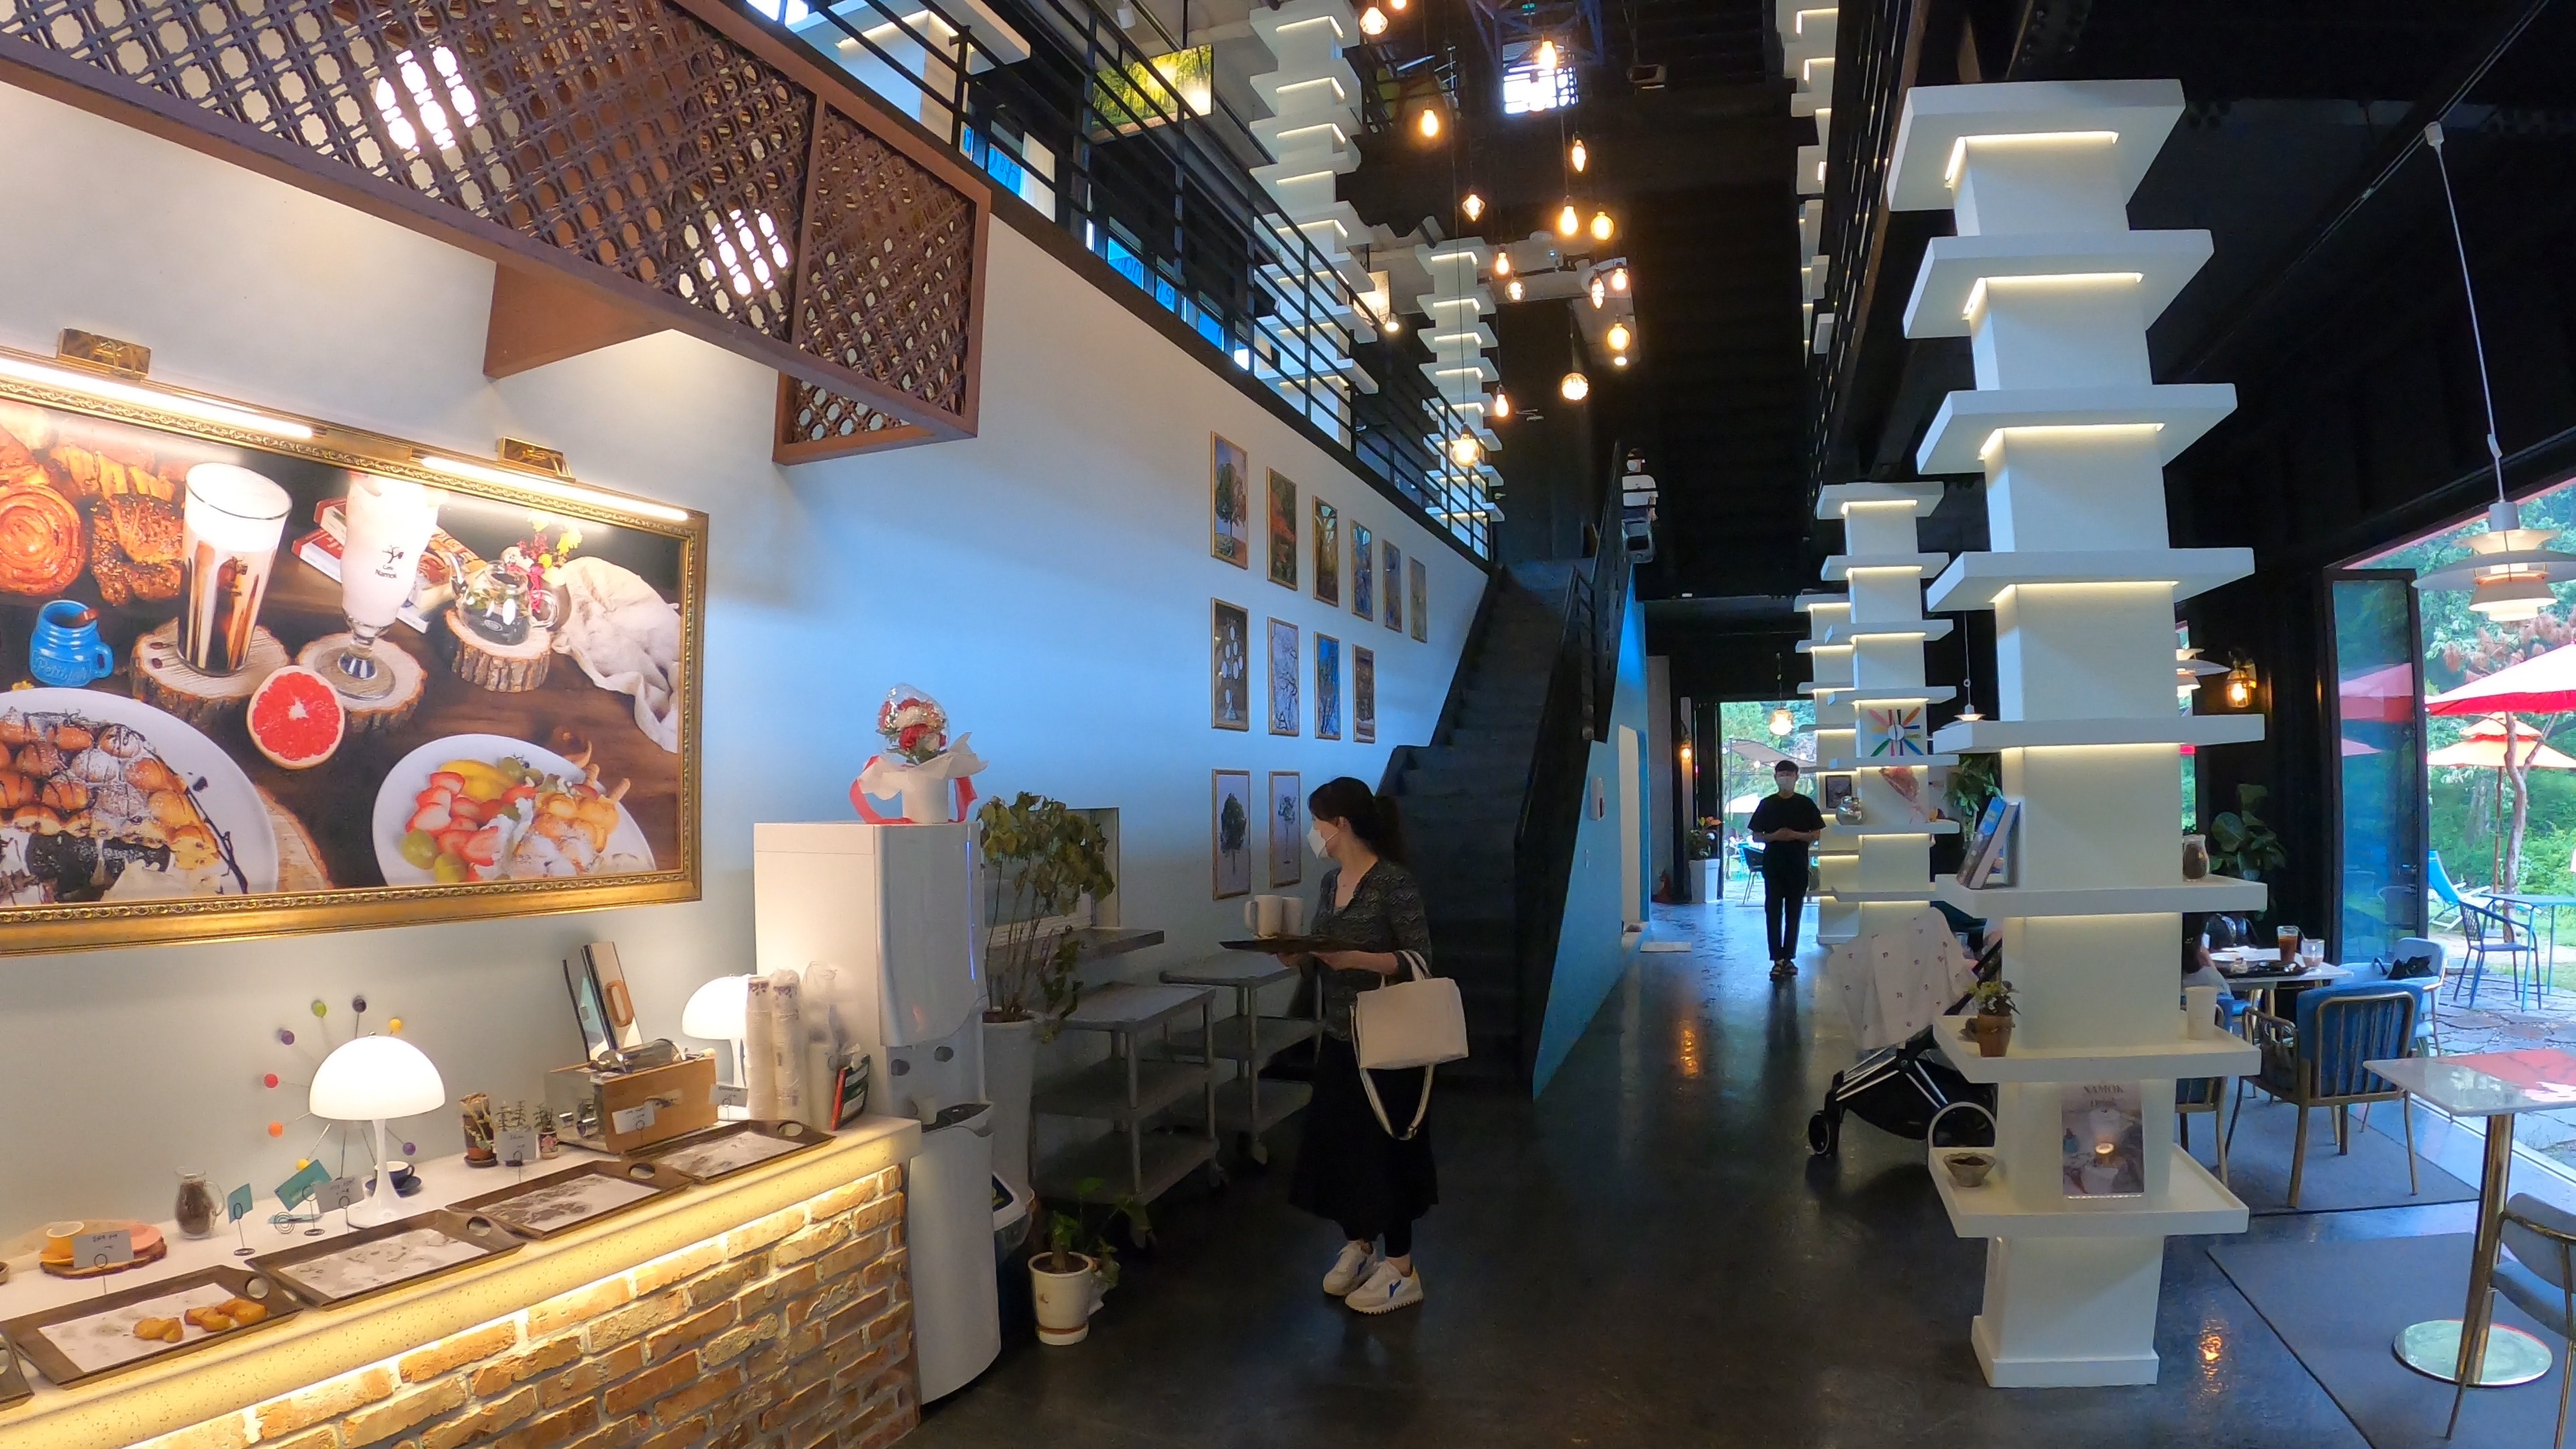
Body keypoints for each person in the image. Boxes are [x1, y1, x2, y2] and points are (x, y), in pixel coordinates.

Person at [1283, 776, 1437, 1316]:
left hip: (1389, 1043)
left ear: (1340, 824)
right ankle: (1360, 1244)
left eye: (1317, 823)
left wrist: (1358, 960)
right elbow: (1322, 952)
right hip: (1339, 1036)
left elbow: (1419, 959)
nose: (1314, 833)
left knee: (1389, 1151)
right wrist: (1297, 956)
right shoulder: (1331, 884)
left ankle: (1402, 1268)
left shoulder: (1394, 883)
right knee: (1342, 1146)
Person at [1748, 759, 1825, 979]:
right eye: (1781, 774)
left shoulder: (1805, 804)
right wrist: (1774, 836)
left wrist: (1795, 835)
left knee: (1794, 913)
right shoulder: (1767, 804)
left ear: (1797, 777)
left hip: (1798, 865)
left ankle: (1789, 957)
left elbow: (1816, 833)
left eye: (1789, 775)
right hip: (1773, 866)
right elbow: (1756, 836)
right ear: (1775, 777)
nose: (1785, 778)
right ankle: (1777, 959)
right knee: (1773, 912)